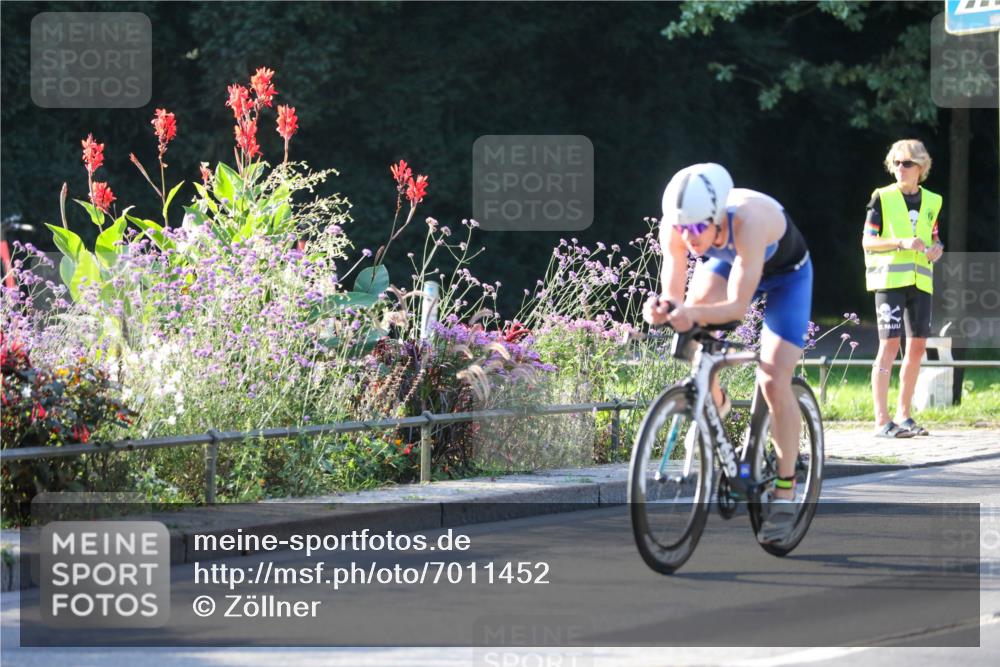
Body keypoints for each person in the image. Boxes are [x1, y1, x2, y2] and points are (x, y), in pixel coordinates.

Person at [643, 163, 812, 543]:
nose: (689, 238)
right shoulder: (679, 224)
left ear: (718, 216)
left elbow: (737, 307)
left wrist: (689, 313)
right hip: (729, 262)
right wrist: (661, 309)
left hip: (787, 277)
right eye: (681, 229)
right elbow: (673, 295)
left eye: (698, 228)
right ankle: (714, 404)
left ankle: (785, 491)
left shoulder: (748, 220)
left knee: (772, 379)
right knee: (690, 330)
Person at [862, 139, 944, 438]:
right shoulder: (881, 197)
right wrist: (900, 242)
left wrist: (937, 249)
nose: (900, 168)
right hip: (889, 281)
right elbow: (867, 241)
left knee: (918, 347)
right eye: (895, 162)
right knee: (890, 346)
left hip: (921, 281)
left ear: (921, 167)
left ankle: (904, 415)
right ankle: (881, 420)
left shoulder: (933, 201)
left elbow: (934, 237)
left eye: (906, 163)